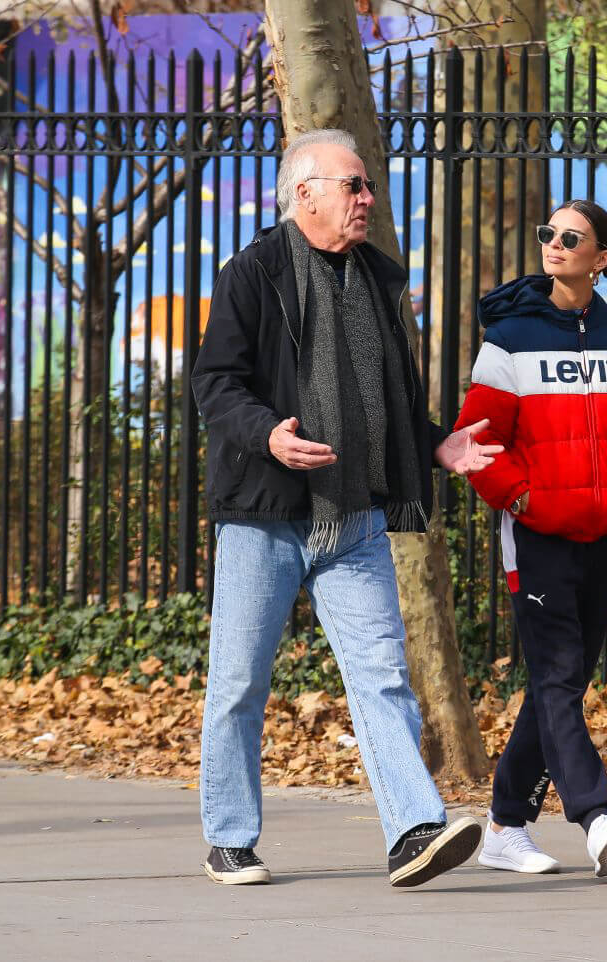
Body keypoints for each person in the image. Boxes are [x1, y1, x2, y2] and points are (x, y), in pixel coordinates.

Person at [192, 128, 503, 888]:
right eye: (353, 186)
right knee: (239, 683)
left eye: (366, 187)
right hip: (265, 515)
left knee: (381, 678)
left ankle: (412, 831)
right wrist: (268, 436)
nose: (367, 199)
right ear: (306, 193)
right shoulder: (253, 274)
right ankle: (229, 836)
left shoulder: (375, 280)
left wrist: (435, 445)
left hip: (355, 514)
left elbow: (384, 399)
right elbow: (215, 384)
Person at [454, 200, 607, 877]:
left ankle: (506, 827)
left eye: (571, 238)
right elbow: (477, 445)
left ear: (601, 259)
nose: (553, 244)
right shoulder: (509, 340)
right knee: (558, 676)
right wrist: (522, 498)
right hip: (538, 531)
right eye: (547, 233)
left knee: (560, 682)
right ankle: (596, 818)